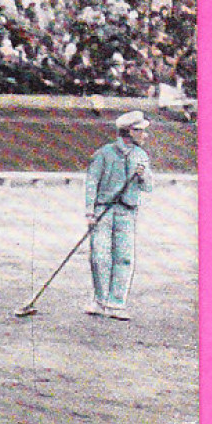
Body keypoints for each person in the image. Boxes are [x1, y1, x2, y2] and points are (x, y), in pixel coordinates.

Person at [85, 110, 155, 320]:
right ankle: (100, 301)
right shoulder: (104, 153)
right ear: (129, 132)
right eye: (141, 131)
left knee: (124, 257)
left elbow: (149, 187)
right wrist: (90, 212)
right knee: (99, 256)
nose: (145, 136)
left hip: (127, 211)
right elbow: (91, 183)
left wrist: (144, 176)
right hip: (103, 211)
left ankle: (117, 303)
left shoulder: (141, 156)